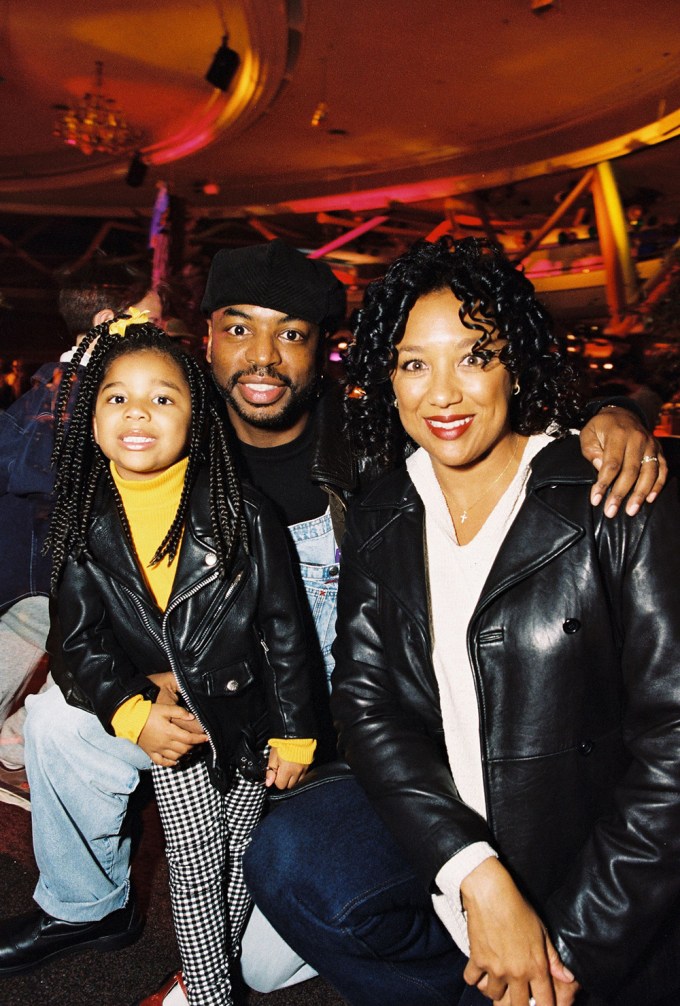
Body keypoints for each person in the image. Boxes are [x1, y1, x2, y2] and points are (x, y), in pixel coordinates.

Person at [0, 241, 662, 1001]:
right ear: (207, 338)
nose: (263, 357)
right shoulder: (163, 427)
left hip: (325, 729)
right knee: (58, 720)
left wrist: (619, 410)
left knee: (260, 957)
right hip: (207, 695)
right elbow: (95, 573)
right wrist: (144, 678)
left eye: (291, 333)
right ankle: (87, 908)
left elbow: (497, 407)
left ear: (324, 353)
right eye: (241, 328)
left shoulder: (376, 452)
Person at [243, 236, 680, 1006]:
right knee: (291, 857)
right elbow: (369, 707)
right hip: (450, 834)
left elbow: (672, 748)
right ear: (388, 376)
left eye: (474, 356)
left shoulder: (614, 497)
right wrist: (474, 873)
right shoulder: (382, 510)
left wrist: (568, 950)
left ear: (516, 363)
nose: (442, 394)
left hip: (592, 859)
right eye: (415, 363)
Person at [45, 317, 316, 1006]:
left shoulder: (242, 512)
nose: (137, 410)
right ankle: (208, 993)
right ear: (92, 417)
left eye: (162, 398)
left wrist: (295, 731)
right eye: (116, 396)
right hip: (178, 728)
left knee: (235, 862)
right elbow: (76, 642)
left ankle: (208, 978)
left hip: (250, 715)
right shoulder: (82, 519)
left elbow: (288, 630)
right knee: (195, 868)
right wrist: (131, 710)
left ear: (197, 418)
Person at [0, 285, 163, 801]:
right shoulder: (67, 388)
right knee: (92, 661)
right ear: (109, 320)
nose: (158, 329)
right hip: (41, 571)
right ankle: (14, 755)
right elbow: (29, 466)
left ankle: (12, 754)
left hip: (43, 568)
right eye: (150, 318)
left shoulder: (73, 384)